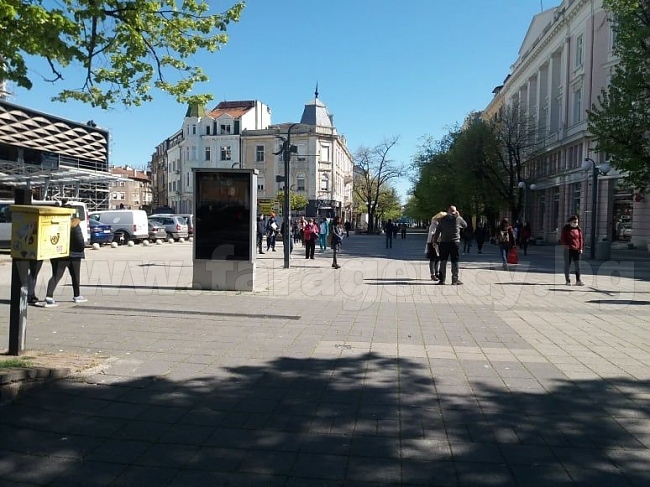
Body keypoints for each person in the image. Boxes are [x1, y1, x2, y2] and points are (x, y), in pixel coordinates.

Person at [44, 214, 87, 306]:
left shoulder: (54, 223)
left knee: (56, 275)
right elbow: (79, 240)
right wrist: (80, 249)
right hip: (74, 254)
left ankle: (49, 296)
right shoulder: (74, 224)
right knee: (75, 275)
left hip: (57, 253)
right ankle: (77, 296)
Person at [433, 205, 467, 285]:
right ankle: (454, 280)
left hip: (444, 243)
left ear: (448, 211)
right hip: (455, 243)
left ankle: (442, 280)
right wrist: (459, 216)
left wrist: (434, 241)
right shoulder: (458, 218)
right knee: (454, 261)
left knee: (443, 261)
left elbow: (437, 231)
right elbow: (465, 225)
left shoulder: (442, 219)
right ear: (455, 211)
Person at [560, 215, 584, 286]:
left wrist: (581, 248)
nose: (576, 223)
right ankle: (567, 280)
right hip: (568, 250)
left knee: (578, 266)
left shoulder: (578, 229)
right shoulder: (566, 229)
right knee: (567, 265)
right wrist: (566, 245)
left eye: (577, 222)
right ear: (570, 222)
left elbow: (580, 239)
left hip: (577, 250)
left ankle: (578, 280)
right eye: (574, 222)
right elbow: (562, 238)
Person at [425, 211, 446, 281]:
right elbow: (432, 234)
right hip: (433, 243)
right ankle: (432, 274)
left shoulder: (441, 224)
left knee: (438, 259)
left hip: (439, 243)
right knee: (433, 259)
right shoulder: (434, 224)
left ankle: (436, 272)